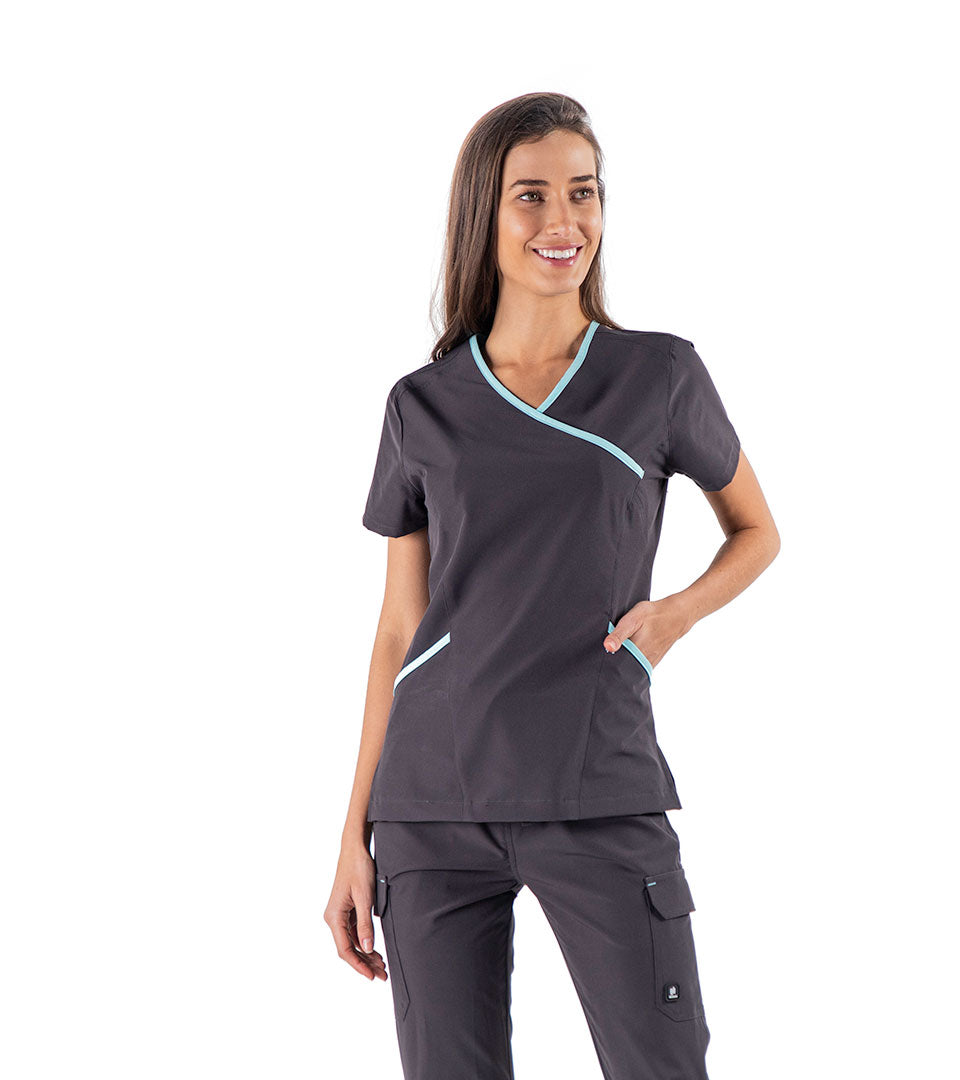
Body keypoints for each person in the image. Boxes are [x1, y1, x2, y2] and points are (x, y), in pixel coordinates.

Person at [324, 91, 781, 1080]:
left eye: (584, 192)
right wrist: (353, 835)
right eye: (531, 195)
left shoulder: (658, 375)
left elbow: (757, 531)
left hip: (597, 783)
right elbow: (400, 629)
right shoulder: (422, 405)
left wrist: (676, 615)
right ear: (484, 216)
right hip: (432, 802)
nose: (563, 219)